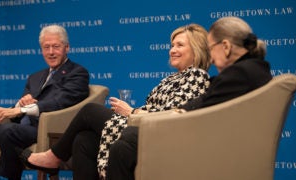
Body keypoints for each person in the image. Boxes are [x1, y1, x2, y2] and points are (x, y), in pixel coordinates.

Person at [18, 23, 211, 180]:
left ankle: (54, 157)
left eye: (180, 45)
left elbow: (174, 115)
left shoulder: (197, 76)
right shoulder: (172, 78)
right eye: (172, 45)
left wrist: (132, 112)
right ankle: (55, 157)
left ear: (196, 49)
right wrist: (133, 111)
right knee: (83, 139)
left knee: (90, 111)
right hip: (139, 124)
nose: (172, 50)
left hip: (155, 132)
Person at [105, 16, 273, 180]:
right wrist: (172, 114)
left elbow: (203, 109)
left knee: (126, 141)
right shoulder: (252, 71)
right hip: (208, 139)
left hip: (209, 146)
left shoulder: (241, 74)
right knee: (115, 136)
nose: (211, 58)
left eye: (211, 48)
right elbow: (202, 103)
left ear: (226, 47)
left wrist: (149, 115)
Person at [0, 24, 89, 180]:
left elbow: (60, 102)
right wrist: (20, 104)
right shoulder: (35, 77)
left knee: (9, 131)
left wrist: (22, 110)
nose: (51, 52)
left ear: (67, 48)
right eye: (46, 47)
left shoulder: (78, 73)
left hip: (46, 129)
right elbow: (18, 111)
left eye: (56, 47)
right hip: (21, 126)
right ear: (41, 50)